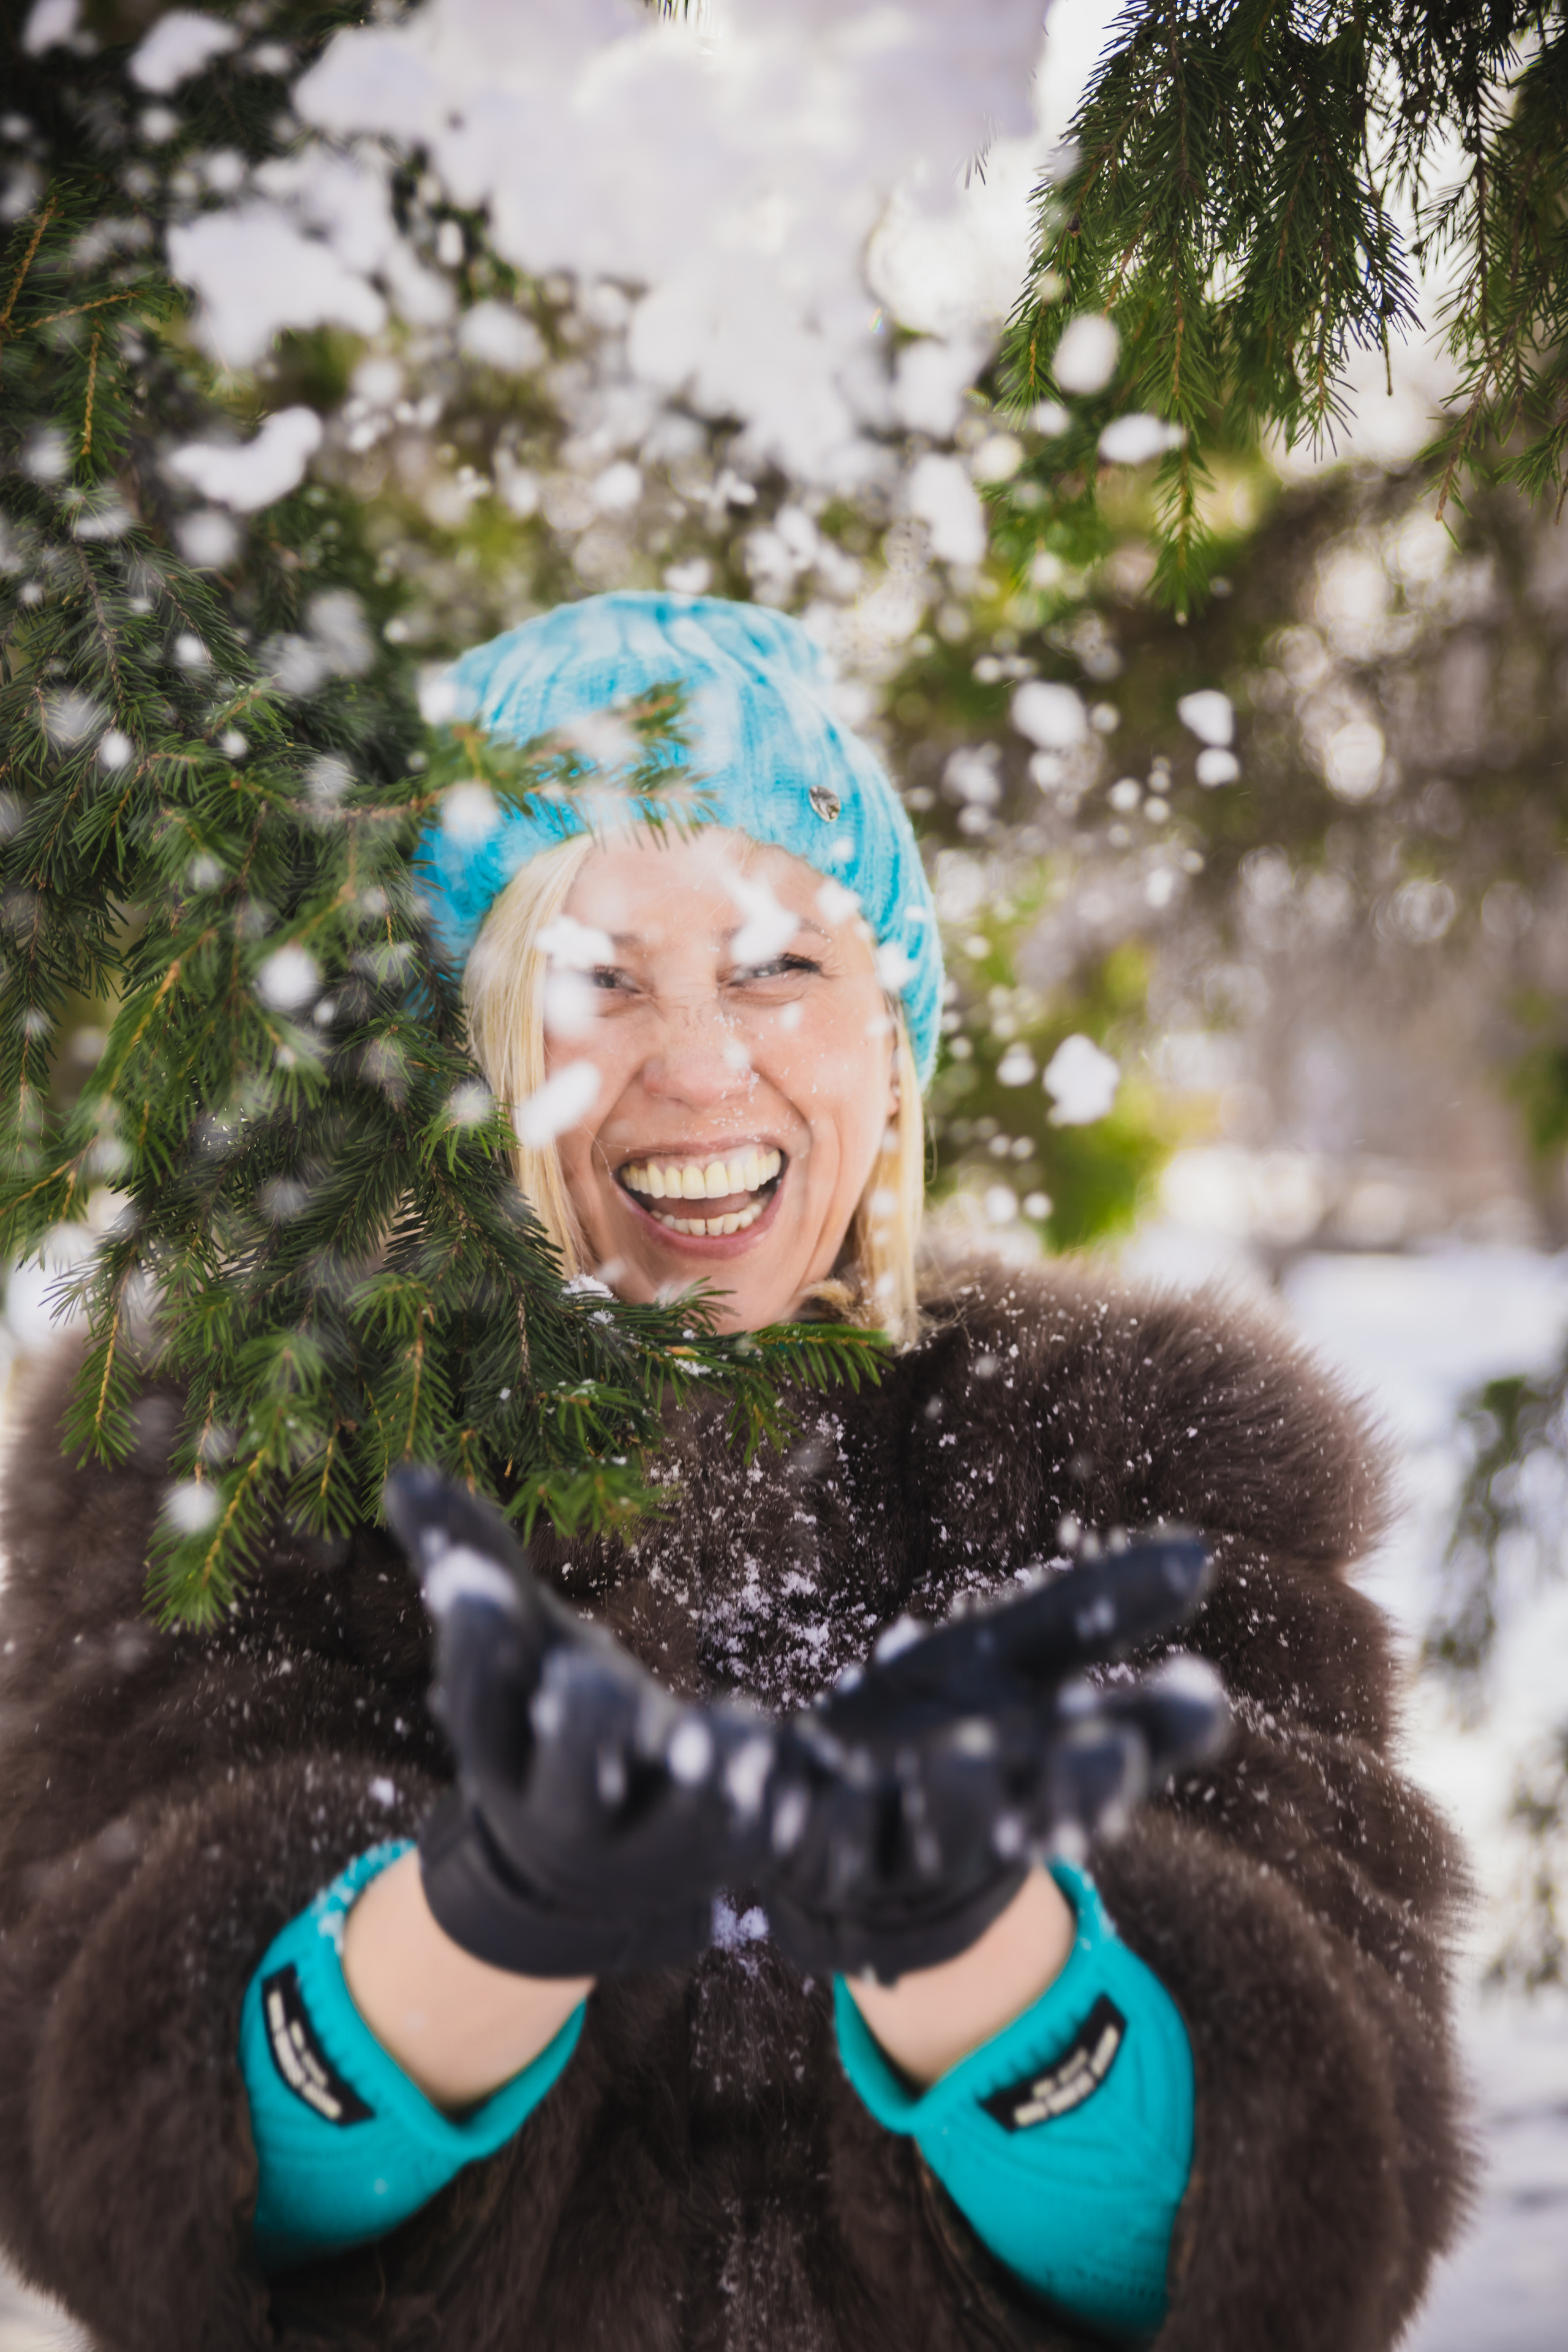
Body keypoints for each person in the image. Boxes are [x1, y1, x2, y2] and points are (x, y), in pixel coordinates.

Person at [0, 594, 1468, 2352]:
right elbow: (121, 2172)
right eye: (587, 979)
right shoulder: (251, 1459)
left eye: (780, 964)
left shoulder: (1139, 1463)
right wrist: (477, 1930)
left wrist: (992, 1966)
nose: (700, 1065)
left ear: (892, 1023)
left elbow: (1302, 2231)